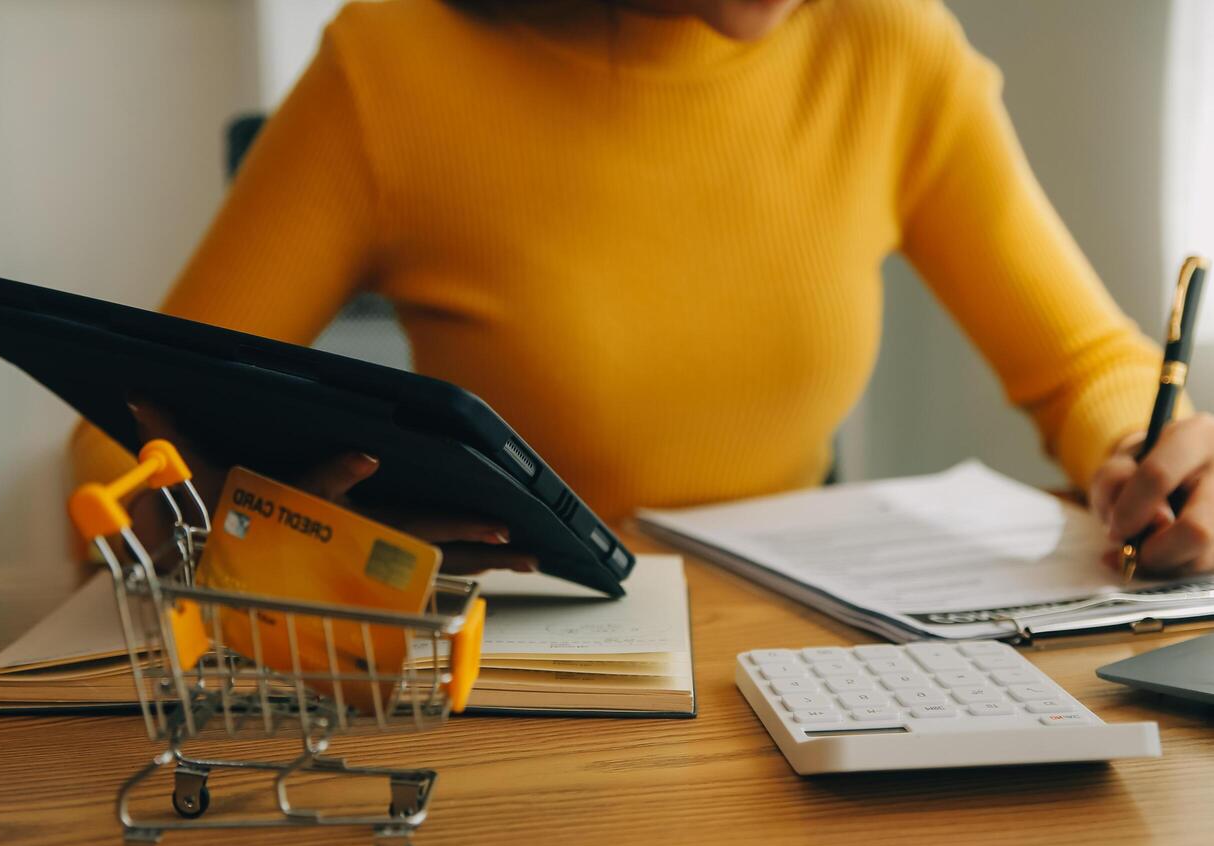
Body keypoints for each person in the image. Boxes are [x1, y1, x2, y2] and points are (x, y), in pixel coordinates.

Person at [74, 0, 1214, 576]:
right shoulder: (391, 68)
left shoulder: (891, 47)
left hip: (806, 674)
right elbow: (112, 447)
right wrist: (319, 545)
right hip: (523, 690)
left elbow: (1086, 366)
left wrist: (1154, 456)